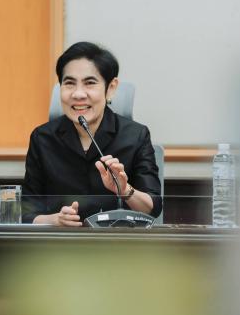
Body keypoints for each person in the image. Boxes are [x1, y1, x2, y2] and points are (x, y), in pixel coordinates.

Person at [22, 42, 162, 226]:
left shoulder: (136, 136)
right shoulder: (43, 138)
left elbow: (153, 208)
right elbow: (25, 213)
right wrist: (54, 220)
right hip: (60, 241)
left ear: (111, 88)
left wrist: (125, 190)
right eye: (69, 83)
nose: (78, 94)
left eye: (90, 83)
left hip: (118, 241)